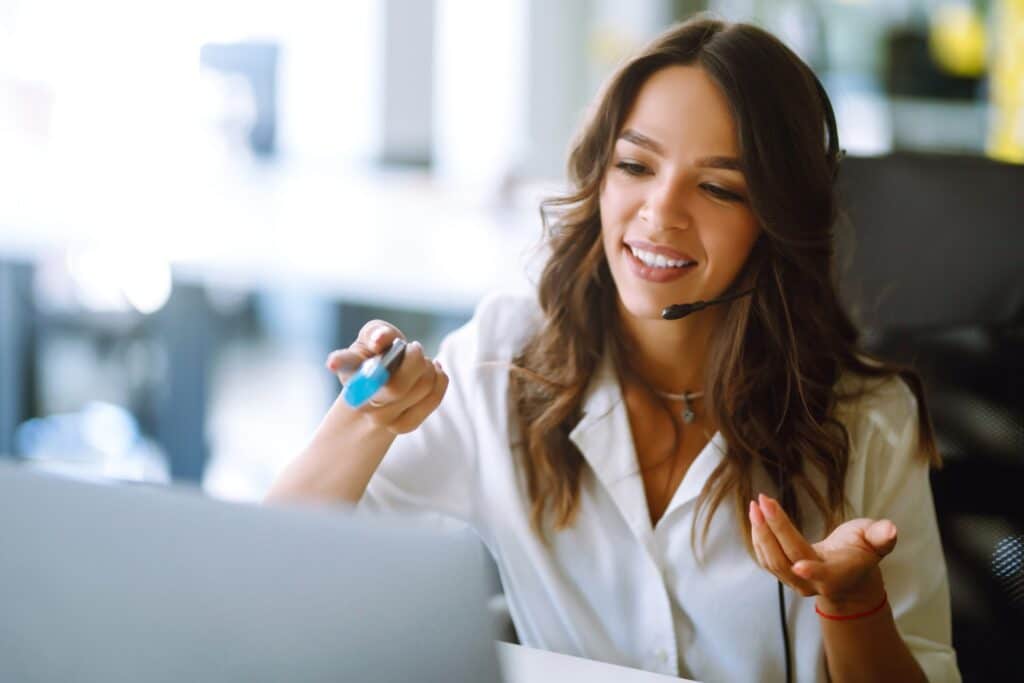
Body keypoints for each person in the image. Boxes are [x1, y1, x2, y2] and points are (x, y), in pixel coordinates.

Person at [266, 17, 960, 683]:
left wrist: (852, 599)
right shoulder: (504, 360)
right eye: (635, 164)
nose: (661, 211)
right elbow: (273, 563)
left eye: (718, 186)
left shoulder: (866, 418)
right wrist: (366, 415)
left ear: (778, 222)